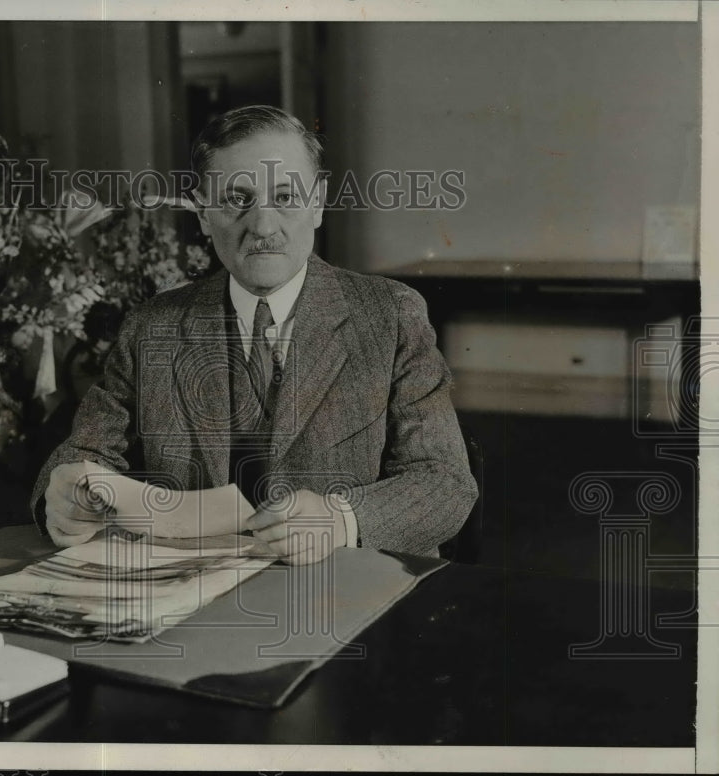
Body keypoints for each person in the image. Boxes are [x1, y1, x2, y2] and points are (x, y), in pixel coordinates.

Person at [30, 105, 477, 564]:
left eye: (285, 197)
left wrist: (340, 519)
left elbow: (444, 481)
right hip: (194, 602)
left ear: (318, 203)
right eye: (236, 199)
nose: (263, 227)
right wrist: (64, 496)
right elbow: (83, 456)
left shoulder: (390, 316)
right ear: (203, 213)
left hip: (345, 595)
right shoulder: (152, 326)